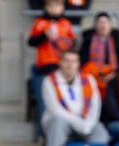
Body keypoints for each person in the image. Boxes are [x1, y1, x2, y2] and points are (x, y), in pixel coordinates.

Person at [39, 50, 109, 146]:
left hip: (85, 122)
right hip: (60, 121)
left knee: (101, 132)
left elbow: (95, 106)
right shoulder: (49, 81)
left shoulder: (88, 79)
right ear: (60, 63)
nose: (70, 65)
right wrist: (80, 124)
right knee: (58, 123)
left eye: (74, 61)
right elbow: (56, 110)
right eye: (67, 61)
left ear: (78, 64)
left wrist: (88, 123)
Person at [28, 0, 75, 135]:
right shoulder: (40, 22)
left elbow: (72, 43)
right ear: (46, 7)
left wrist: (62, 42)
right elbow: (31, 41)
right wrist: (44, 35)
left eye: (57, 5)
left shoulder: (66, 23)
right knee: (43, 103)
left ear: (62, 7)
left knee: (64, 101)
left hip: (62, 69)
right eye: (51, 5)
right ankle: (42, 133)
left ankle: (64, 131)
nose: (54, 8)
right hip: (44, 68)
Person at [79, 12, 119, 98]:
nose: (102, 25)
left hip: (114, 77)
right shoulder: (88, 40)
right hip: (92, 77)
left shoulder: (117, 40)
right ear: (95, 25)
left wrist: (114, 74)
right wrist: (97, 73)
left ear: (110, 25)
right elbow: (83, 61)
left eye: (105, 22)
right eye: (99, 22)